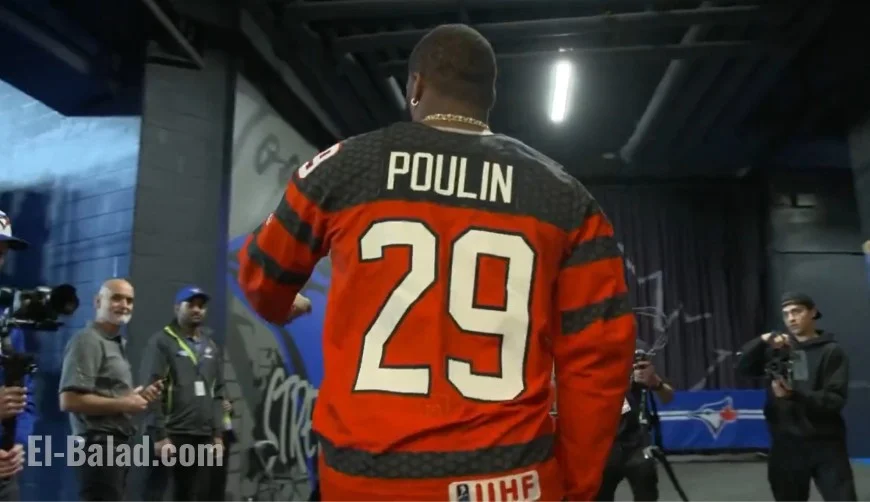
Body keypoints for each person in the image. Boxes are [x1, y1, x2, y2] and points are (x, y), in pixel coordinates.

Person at [236, 23, 636, 501]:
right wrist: (575, 485)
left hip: (365, 480)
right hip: (511, 479)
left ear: (416, 87)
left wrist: (284, 305)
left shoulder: (345, 167)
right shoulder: (564, 198)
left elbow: (261, 274)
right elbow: (600, 357)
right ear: (490, 95)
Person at [737, 292, 857, 501]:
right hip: (785, 443)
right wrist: (763, 340)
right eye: (786, 314)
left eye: (797, 311)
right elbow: (742, 368)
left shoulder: (831, 352)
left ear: (812, 312)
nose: (791, 318)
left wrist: (795, 395)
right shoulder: (777, 349)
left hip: (825, 443)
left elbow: (834, 400)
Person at [59, 278, 163, 501]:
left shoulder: (114, 343)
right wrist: (125, 403)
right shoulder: (87, 341)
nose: (124, 305)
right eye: (116, 298)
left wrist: (135, 399)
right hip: (97, 447)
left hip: (116, 445)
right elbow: (69, 400)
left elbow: (108, 397)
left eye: (129, 300)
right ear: (98, 301)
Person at [140, 286, 225, 501]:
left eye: (201, 305)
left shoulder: (211, 347)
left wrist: (217, 435)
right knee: (155, 495)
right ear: (177, 308)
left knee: (190, 496)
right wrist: (160, 436)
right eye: (191, 305)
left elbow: (218, 392)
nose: (197, 310)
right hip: (170, 434)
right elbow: (151, 391)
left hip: (201, 435)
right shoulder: (161, 342)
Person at [595, 339, 674, 501]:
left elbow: (668, 397)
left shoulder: (637, 349)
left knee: (647, 494)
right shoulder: (588, 351)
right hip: (602, 445)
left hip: (636, 443)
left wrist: (655, 383)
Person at [0, 210, 33, 501]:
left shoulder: (8, 322)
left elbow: (24, 394)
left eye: (1, 253)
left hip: (4, 470)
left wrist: (18, 442)